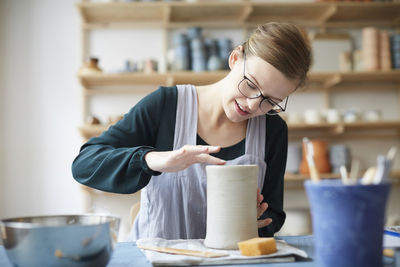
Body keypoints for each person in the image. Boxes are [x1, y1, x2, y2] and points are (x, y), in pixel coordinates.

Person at [72, 22, 311, 241]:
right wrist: (153, 159)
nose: (252, 104)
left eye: (270, 101)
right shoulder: (165, 105)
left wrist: (256, 220)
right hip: (156, 259)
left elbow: (273, 215)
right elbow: (84, 164)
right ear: (235, 58)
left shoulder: (273, 130)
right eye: (250, 85)